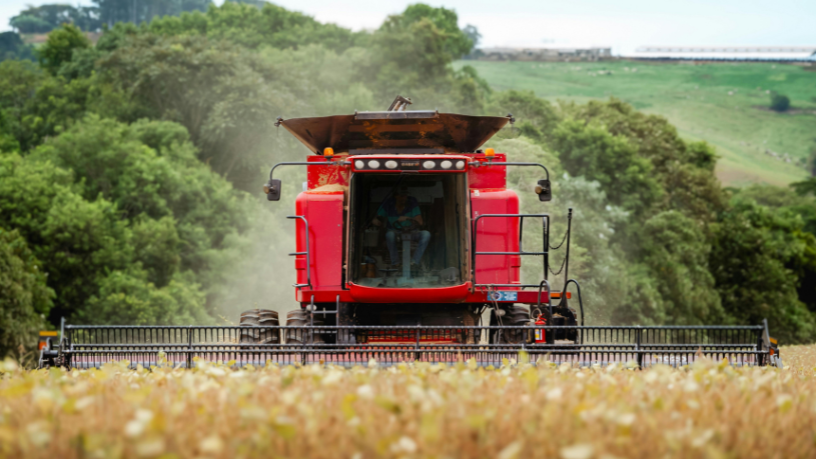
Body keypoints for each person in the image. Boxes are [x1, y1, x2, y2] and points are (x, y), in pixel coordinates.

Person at [371, 186, 431, 268]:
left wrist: (407, 218)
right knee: (389, 235)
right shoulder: (388, 203)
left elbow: (420, 221)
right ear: (395, 196)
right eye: (401, 196)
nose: (404, 198)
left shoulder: (412, 201)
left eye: (405, 196)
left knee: (426, 234)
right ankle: (395, 263)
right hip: (395, 232)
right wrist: (375, 220)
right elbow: (377, 218)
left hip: (412, 232)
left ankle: (414, 262)